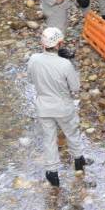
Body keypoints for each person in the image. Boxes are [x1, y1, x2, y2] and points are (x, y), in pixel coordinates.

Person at [26, 27, 90, 187]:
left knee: (49, 139)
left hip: (43, 107)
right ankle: (78, 161)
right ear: (59, 44)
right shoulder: (65, 64)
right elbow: (75, 87)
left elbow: (30, 80)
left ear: (43, 44)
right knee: (72, 133)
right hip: (63, 107)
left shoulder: (34, 59)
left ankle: (52, 173)